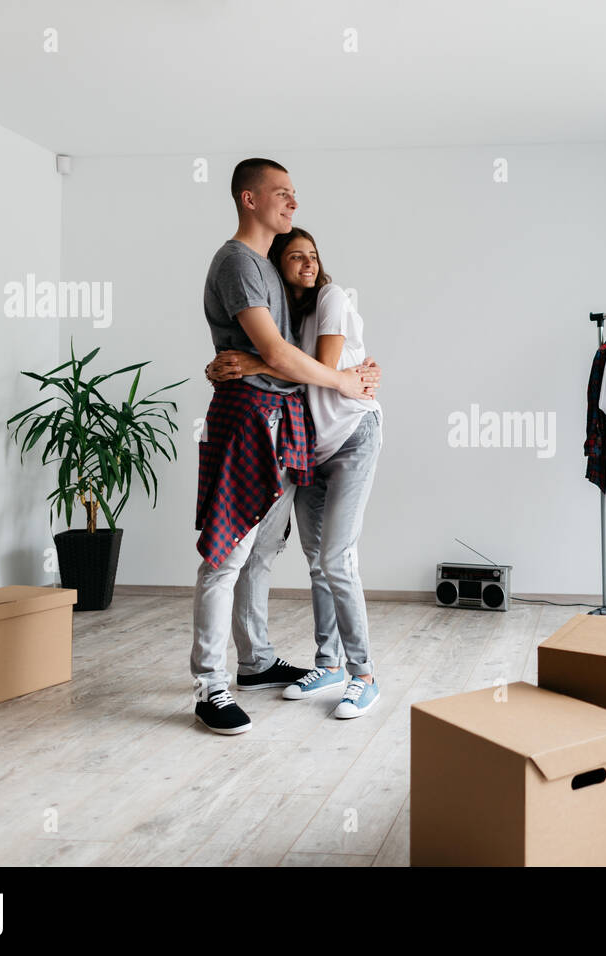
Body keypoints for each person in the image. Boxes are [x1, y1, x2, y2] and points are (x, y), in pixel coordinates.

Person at [192, 158, 380, 736]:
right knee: (226, 556)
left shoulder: (275, 274)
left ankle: (254, 663)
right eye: (281, 193)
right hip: (248, 420)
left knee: (266, 549)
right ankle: (210, 685)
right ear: (249, 199)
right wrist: (343, 379)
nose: (293, 203)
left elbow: (281, 354)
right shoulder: (238, 263)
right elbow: (277, 354)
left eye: (295, 195)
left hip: (286, 422)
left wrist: (261, 361)